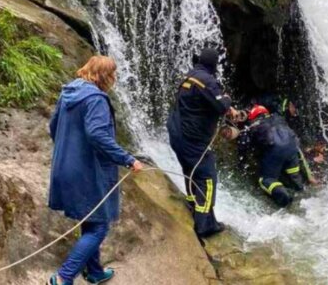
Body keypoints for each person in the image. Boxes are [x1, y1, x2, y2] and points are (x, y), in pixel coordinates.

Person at [47, 56, 144, 285]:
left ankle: (94, 272)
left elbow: (53, 127)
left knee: (90, 218)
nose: (115, 78)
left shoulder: (69, 91)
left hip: (64, 167)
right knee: (99, 226)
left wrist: (70, 149)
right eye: (113, 75)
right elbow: (97, 135)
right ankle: (63, 277)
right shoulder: (96, 100)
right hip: (86, 172)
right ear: (105, 76)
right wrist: (127, 159)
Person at [166, 47, 237, 238]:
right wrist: (228, 99)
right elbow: (221, 105)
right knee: (207, 178)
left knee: (191, 171)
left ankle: (192, 204)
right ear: (213, 64)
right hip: (192, 139)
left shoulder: (190, 76)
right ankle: (205, 223)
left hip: (177, 134)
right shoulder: (206, 80)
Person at [247, 105, 306, 207]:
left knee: (266, 179)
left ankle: (283, 197)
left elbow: (251, 146)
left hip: (275, 151)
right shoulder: (279, 118)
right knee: (294, 174)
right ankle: (302, 192)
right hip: (292, 147)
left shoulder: (254, 126)